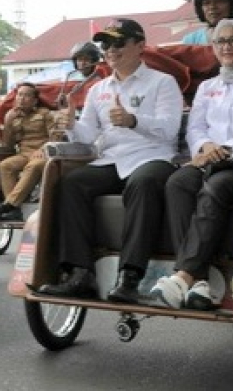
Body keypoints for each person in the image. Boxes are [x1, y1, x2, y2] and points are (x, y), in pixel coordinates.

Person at [37, 18, 183, 304]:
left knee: (143, 183)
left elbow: (169, 128)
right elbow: (89, 135)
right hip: (112, 159)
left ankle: (130, 276)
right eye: (105, 45)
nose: (110, 50)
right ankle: (80, 273)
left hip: (153, 155)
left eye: (118, 43)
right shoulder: (98, 89)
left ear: (140, 45)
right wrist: (70, 124)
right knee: (71, 184)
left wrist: (133, 120)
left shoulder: (162, 82)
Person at [149, 20, 233, 310]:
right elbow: (195, 128)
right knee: (177, 183)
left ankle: (184, 274)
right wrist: (205, 147)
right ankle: (200, 279)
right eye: (220, 41)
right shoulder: (208, 87)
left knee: (216, 188)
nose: (226, 46)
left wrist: (225, 149)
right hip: (206, 159)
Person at [0, 82, 56, 222]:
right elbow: (8, 145)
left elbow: (55, 136)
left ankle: (9, 205)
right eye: (19, 95)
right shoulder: (13, 116)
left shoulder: (44, 114)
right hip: (24, 154)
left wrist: (43, 149)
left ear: (35, 100)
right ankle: (15, 211)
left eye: (26, 96)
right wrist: (8, 122)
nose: (21, 98)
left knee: (34, 166)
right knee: (5, 165)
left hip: (43, 153)